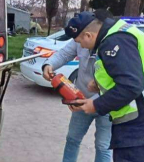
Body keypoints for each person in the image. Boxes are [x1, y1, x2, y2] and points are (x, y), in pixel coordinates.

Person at [65, 12, 144, 162]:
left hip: (142, 127)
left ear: (89, 35)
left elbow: (130, 86)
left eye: (79, 41)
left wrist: (96, 105)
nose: (81, 46)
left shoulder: (114, 41)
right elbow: (129, 72)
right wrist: (99, 84)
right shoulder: (118, 33)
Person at [42, 10, 112, 162]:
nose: (77, 44)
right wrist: (48, 65)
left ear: (88, 35)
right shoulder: (79, 38)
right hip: (80, 99)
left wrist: (94, 102)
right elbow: (64, 53)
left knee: (103, 146)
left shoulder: (111, 45)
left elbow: (117, 84)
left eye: (79, 41)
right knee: (72, 139)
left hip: (106, 103)